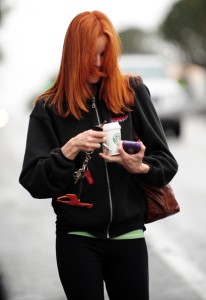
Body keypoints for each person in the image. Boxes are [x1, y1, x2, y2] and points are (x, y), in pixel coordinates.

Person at [19, 10, 178, 300]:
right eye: (90, 55)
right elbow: (33, 181)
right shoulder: (49, 108)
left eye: (104, 54)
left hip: (129, 236)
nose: (97, 63)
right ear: (73, 54)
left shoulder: (132, 93)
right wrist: (69, 149)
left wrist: (140, 166)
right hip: (76, 239)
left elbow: (166, 163)